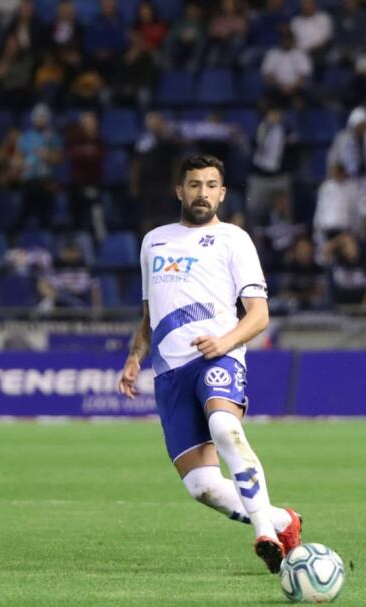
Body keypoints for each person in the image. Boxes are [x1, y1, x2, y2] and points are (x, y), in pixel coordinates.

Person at [117, 154, 302, 575]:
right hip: (169, 374)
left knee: (224, 427)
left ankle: (264, 533)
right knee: (201, 486)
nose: (203, 193)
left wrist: (224, 342)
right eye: (194, 184)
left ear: (223, 193)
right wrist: (134, 356)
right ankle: (284, 522)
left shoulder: (235, 240)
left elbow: (258, 314)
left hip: (216, 357)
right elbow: (150, 315)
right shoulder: (154, 241)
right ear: (179, 191)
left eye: (211, 185)